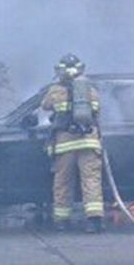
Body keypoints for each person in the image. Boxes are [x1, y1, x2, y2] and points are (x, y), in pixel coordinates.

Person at [41, 53, 104, 233]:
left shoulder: (55, 91)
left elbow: (45, 106)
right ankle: (94, 221)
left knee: (62, 182)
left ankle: (62, 220)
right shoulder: (90, 90)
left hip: (65, 144)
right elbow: (97, 113)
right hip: (88, 142)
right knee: (91, 180)